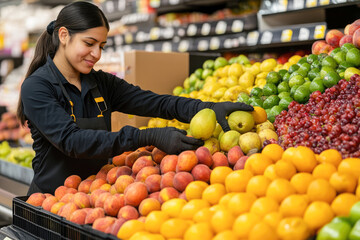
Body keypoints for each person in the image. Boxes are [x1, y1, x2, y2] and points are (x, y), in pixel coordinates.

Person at [17, 1, 253, 195]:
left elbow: (157, 103)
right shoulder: (37, 87)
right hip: (49, 203)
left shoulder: (101, 83)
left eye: (101, 45)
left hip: (96, 196)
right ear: (64, 35)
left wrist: (209, 107)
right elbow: (72, 141)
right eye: (89, 44)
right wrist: (147, 135)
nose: (96, 54)